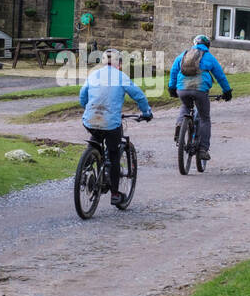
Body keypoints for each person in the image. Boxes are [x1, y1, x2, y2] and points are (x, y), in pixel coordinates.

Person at [79, 48, 153, 206]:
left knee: (96, 136)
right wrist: (146, 112)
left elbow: (82, 96)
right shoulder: (121, 77)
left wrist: (89, 107)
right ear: (119, 64)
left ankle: (86, 169)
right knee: (113, 155)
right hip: (111, 123)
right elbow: (138, 95)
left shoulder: (93, 75)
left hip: (90, 119)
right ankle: (114, 194)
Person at [168, 34, 232, 162]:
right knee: (204, 118)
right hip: (200, 90)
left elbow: (174, 71)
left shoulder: (183, 55)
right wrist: (227, 91)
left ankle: (180, 126)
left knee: (186, 106)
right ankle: (203, 149)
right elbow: (220, 76)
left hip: (182, 89)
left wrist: (172, 88)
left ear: (194, 43)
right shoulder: (209, 57)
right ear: (208, 45)